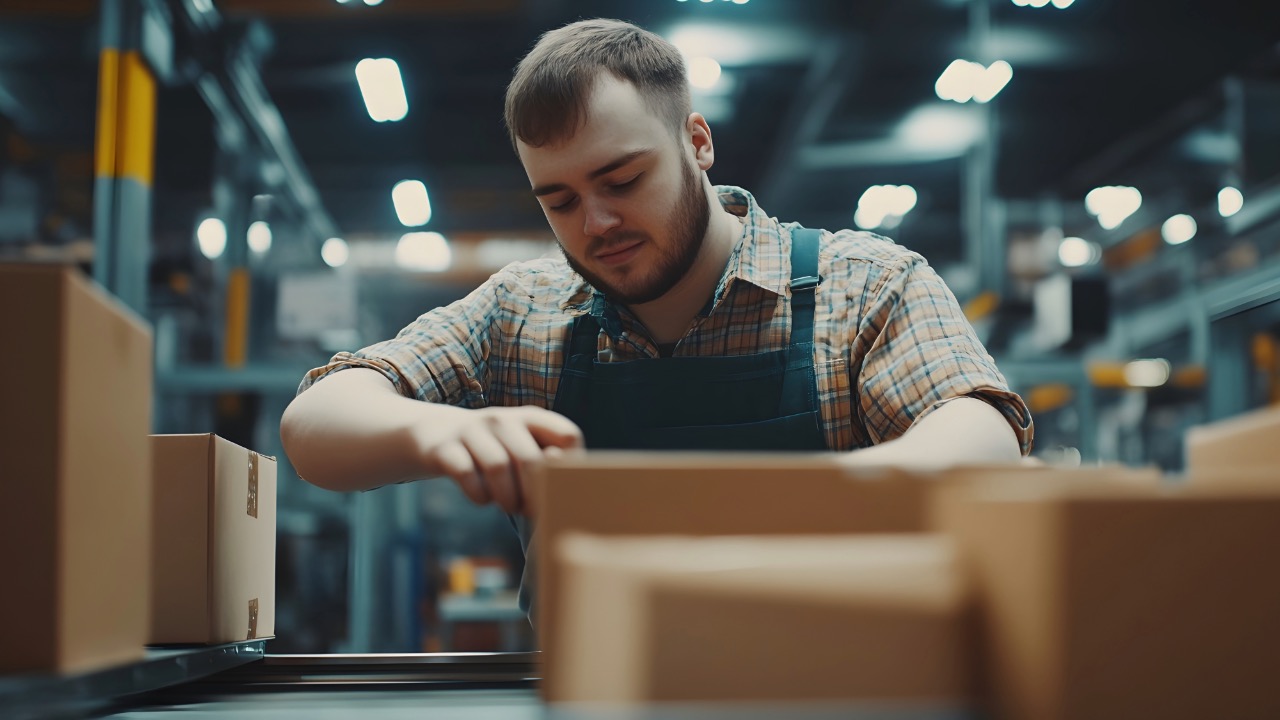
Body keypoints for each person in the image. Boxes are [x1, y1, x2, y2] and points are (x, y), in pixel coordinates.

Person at [280, 18, 1033, 617]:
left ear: (697, 142)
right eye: (561, 202)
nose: (597, 222)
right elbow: (316, 427)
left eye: (623, 178)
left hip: (836, 689)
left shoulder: (863, 285)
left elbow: (987, 438)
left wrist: (801, 503)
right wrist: (439, 429)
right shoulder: (523, 312)